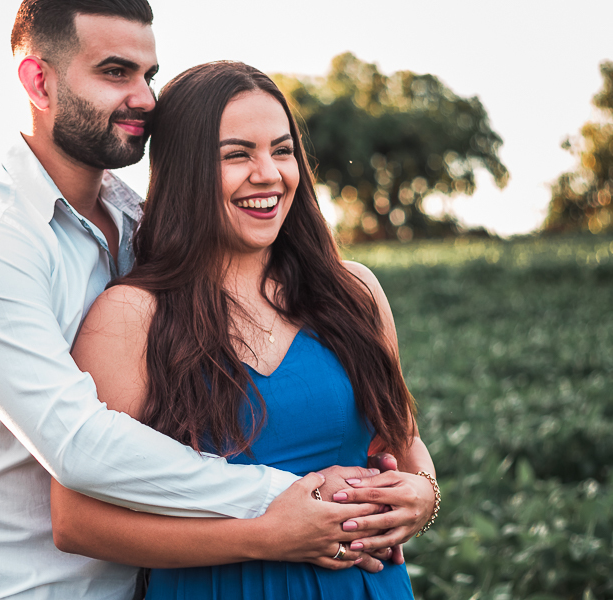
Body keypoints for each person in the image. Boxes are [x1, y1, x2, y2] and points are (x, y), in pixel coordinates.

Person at [0, 2, 399, 599]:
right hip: (11, 588)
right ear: (39, 81)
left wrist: (418, 491)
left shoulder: (134, 221)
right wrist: (287, 503)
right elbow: (81, 446)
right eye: (116, 73)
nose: (144, 98)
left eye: (149, 75)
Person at [50, 61, 439, 598]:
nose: (269, 173)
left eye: (282, 150)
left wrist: (423, 496)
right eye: (237, 154)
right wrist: (268, 537)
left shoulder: (355, 292)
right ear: (186, 171)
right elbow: (77, 523)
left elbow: (404, 443)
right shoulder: (132, 316)